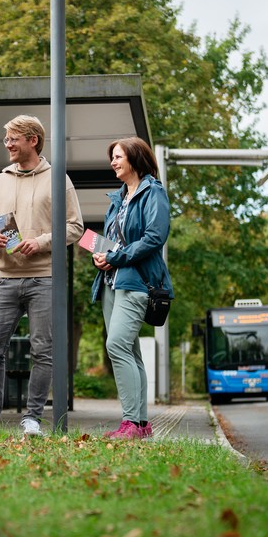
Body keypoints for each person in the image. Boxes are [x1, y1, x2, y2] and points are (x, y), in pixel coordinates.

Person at [0, 115, 84, 436]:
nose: (7, 143)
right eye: (6, 138)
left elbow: (75, 227)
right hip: (5, 278)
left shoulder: (58, 179)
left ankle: (33, 418)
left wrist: (41, 241)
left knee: (42, 351)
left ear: (32, 140)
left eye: (13, 138)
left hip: (44, 278)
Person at [91, 137, 173, 440]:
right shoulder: (119, 199)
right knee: (130, 350)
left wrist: (115, 257)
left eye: (118, 157)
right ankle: (140, 424)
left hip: (136, 282)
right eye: (112, 157)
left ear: (135, 159)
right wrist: (100, 252)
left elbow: (154, 237)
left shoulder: (154, 193)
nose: (113, 162)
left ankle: (130, 422)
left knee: (116, 345)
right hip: (111, 283)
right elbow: (113, 239)